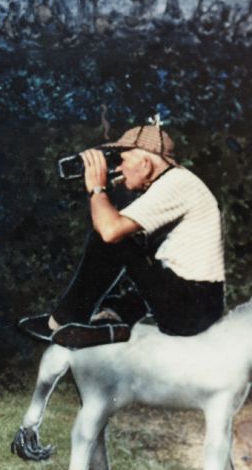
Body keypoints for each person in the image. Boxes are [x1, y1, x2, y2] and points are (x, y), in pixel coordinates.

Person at [19, 124, 225, 348]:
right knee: (131, 249)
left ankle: (62, 321)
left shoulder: (175, 185)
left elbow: (110, 232)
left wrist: (97, 190)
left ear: (145, 165)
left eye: (122, 161)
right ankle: (110, 323)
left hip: (189, 308)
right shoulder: (176, 182)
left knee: (108, 240)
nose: (117, 169)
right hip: (197, 302)